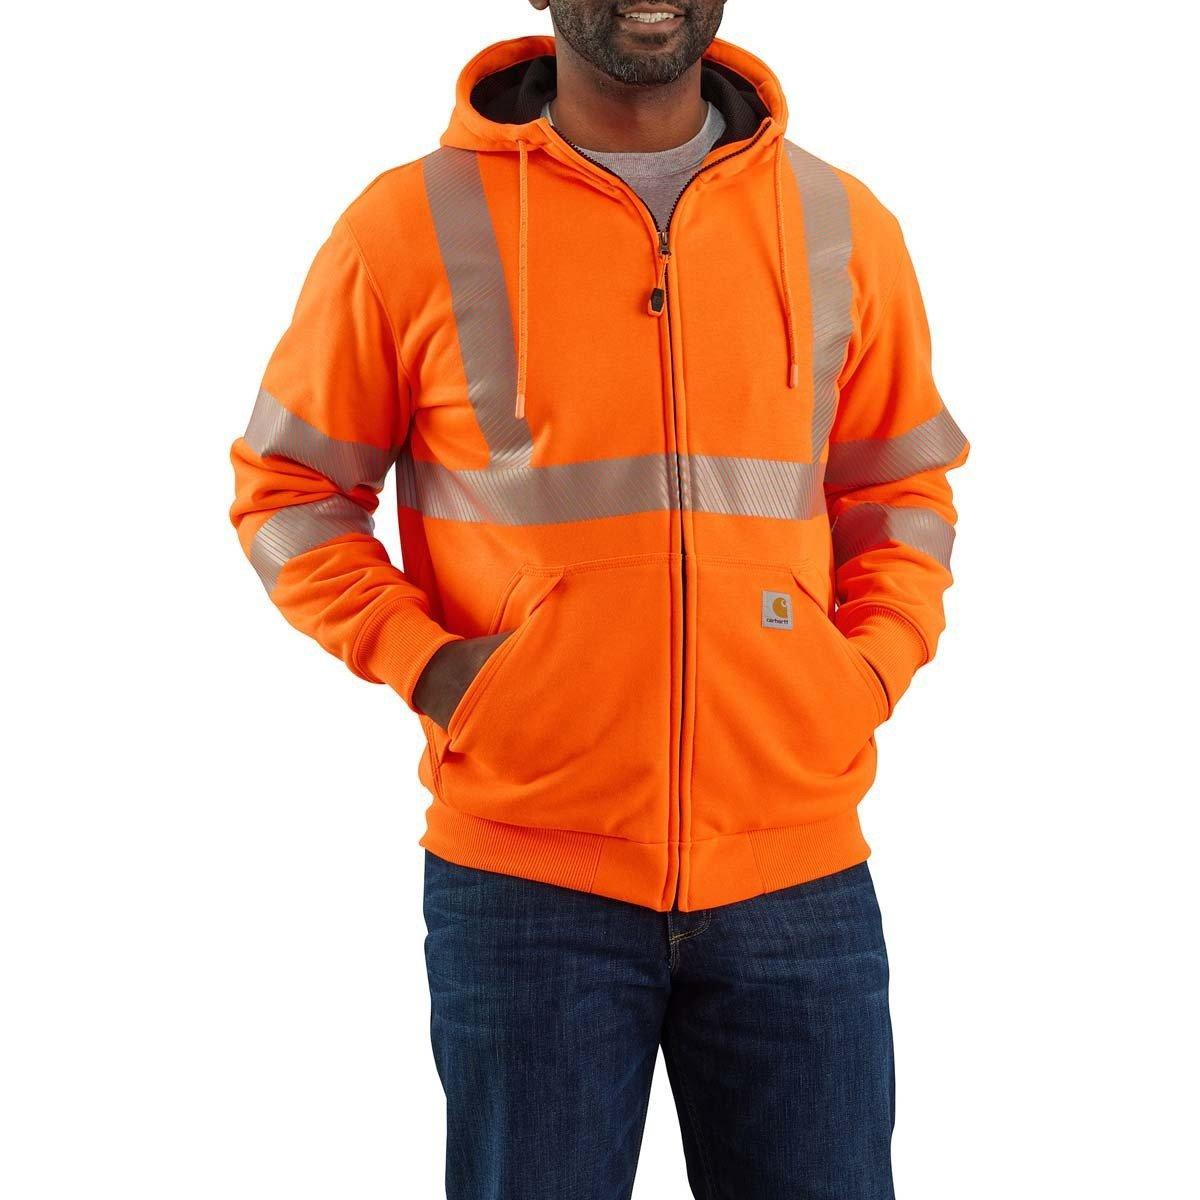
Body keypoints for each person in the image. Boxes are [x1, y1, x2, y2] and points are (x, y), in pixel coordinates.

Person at [229, 2, 969, 1195]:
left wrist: (865, 671)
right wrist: (427, 663)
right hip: (529, 883)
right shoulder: (409, 225)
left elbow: (898, 488)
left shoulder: (838, 220)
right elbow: (288, 492)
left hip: (797, 876)